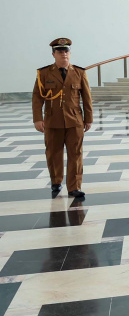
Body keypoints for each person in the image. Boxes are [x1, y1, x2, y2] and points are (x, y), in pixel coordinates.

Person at [32, 38, 91, 198]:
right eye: (60, 51)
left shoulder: (79, 72)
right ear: (53, 54)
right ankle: (56, 182)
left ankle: (74, 187)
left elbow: (86, 97)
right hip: (52, 121)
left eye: (66, 51)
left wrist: (89, 118)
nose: (63, 53)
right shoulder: (44, 73)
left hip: (74, 121)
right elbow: (37, 97)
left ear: (70, 54)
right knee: (53, 153)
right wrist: (37, 118)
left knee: (76, 154)